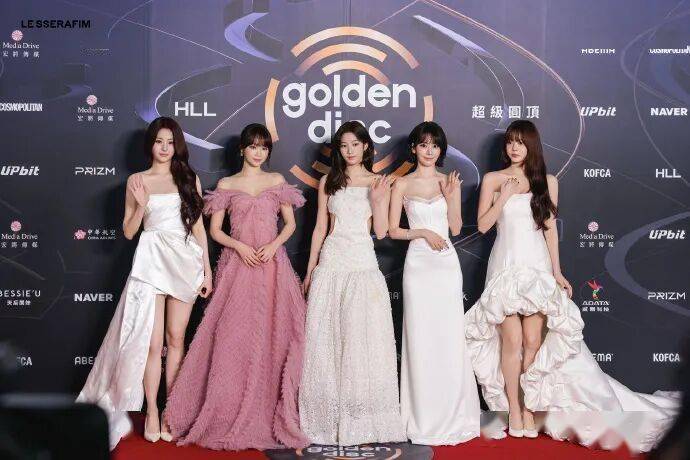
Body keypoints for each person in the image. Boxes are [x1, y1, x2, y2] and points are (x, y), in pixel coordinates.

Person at [465, 119, 678, 451]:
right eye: (510, 141)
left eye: (521, 142)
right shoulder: (493, 180)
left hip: (537, 268)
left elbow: (549, 229)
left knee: (533, 341)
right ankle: (514, 412)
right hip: (505, 267)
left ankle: (530, 408)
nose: (514, 147)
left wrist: (557, 272)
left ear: (531, 146)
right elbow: (481, 226)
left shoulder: (547, 181)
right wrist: (503, 197)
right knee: (512, 340)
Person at [164, 123, 309, 450]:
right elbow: (215, 230)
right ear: (242, 149)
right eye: (253, 146)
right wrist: (239, 246)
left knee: (276, 336)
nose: (258, 153)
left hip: (271, 266)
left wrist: (274, 245)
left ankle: (268, 408)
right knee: (232, 338)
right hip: (237, 267)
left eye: (264, 147)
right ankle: (223, 409)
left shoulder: (276, 181)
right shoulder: (226, 185)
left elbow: (290, 224)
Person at [76, 116, 212, 448]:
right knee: (152, 345)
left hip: (184, 261)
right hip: (151, 261)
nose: (164, 148)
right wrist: (141, 204)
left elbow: (197, 227)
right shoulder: (137, 181)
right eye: (159, 141)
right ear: (150, 144)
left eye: (170, 142)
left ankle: (170, 412)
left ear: (177, 145)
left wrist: (207, 270)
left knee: (176, 338)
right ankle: (151, 410)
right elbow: (128, 231)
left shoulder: (188, 178)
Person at [299, 121, 405, 446]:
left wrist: (378, 200)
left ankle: (360, 420)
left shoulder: (378, 182)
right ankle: (326, 419)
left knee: (362, 341)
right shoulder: (327, 181)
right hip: (332, 262)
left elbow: (383, 231)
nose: (349, 151)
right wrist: (310, 270)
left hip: (362, 263)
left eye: (355, 145)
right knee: (327, 340)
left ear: (366, 147)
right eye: (344, 146)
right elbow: (320, 228)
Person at [388, 121, 480, 445]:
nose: (429, 151)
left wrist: (452, 197)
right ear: (413, 148)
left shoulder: (448, 182)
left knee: (448, 334)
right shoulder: (401, 184)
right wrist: (423, 232)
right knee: (420, 335)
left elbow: (455, 229)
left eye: (435, 145)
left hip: (445, 267)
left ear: (441, 150)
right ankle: (423, 415)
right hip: (417, 266)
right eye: (423, 144)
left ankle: (453, 412)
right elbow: (392, 230)